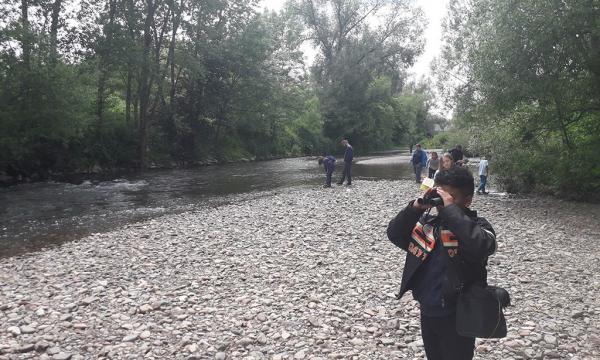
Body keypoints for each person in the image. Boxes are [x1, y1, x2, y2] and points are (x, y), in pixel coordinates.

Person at [387, 166, 497, 360]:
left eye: (450, 197)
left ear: (467, 200)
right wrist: (414, 208)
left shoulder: (478, 227)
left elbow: (481, 245)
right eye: (440, 195)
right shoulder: (428, 225)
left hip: (458, 313)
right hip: (428, 309)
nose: (442, 203)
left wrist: (451, 212)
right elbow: (395, 234)